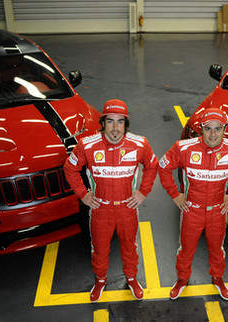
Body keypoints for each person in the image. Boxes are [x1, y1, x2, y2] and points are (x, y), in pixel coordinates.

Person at [64, 99, 158, 303]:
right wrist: (84, 194)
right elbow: (70, 169)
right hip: (100, 209)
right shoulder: (87, 145)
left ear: (126, 124)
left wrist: (142, 192)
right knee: (99, 249)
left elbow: (152, 165)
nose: (115, 128)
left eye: (120, 122)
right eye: (110, 121)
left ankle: (132, 279)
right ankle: (100, 280)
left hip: (127, 208)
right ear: (103, 123)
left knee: (130, 247)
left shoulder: (140, 144)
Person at [158, 108, 228, 301]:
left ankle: (217, 278)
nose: (213, 134)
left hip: (218, 211)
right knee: (186, 249)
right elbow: (163, 166)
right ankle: (182, 279)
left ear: (225, 129)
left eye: (218, 129)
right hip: (192, 210)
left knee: (217, 249)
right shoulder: (184, 148)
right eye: (208, 129)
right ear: (201, 128)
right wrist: (175, 194)